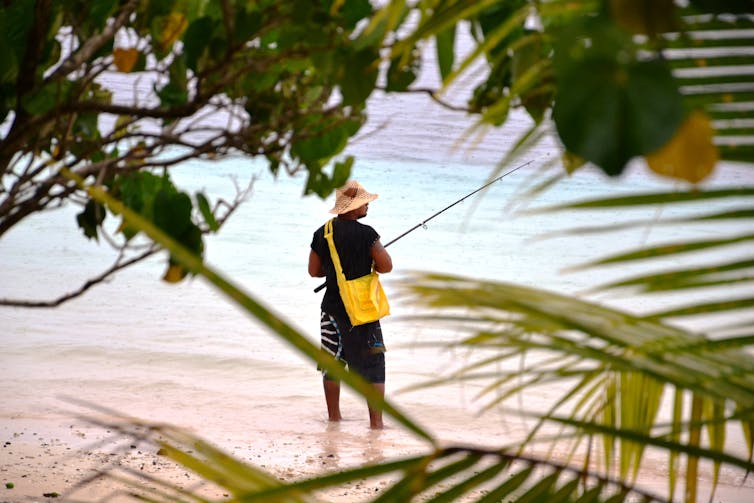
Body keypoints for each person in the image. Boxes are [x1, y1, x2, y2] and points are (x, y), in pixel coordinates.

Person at [308, 180, 393, 429]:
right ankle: (376, 424)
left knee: (333, 362)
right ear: (353, 208)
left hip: (331, 309)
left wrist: (335, 270)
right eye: (363, 202)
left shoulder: (322, 233)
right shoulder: (367, 234)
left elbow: (314, 271)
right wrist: (370, 264)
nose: (367, 205)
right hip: (362, 310)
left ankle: (334, 419)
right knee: (374, 364)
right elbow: (386, 266)